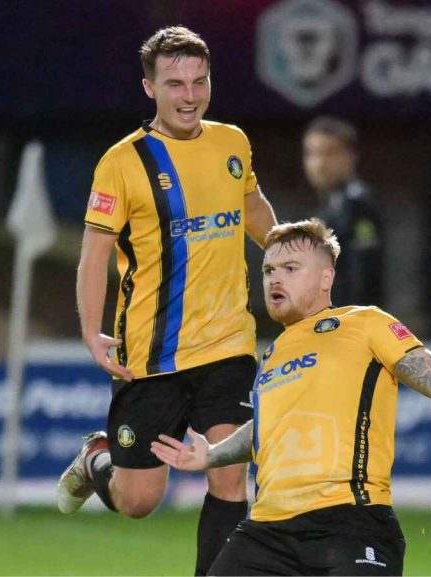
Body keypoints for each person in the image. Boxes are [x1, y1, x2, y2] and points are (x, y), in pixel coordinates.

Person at [151, 219, 431, 575]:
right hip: (267, 532)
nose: (275, 278)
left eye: (291, 268)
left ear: (326, 278)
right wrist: (212, 455)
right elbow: (265, 429)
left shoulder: (365, 323)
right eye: (269, 269)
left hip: (351, 520)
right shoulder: (273, 354)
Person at [56, 26, 276, 576]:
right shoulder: (122, 163)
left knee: (230, 476)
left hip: (228, 343)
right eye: (174, 83)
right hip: (152, 355)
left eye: (199, 81)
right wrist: (90, 331)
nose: (189, 95)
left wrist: (297, 261)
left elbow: (254, 213)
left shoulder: (232, 144)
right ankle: (96, 458)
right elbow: (94, 254)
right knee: (139, 501)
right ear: (149, 88)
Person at [302, 117, 384, 306]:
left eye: (329, 153)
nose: (319, 164)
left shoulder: (361, 207)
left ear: (350, 157)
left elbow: (363, 278)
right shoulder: (327, 207)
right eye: (312, 154)